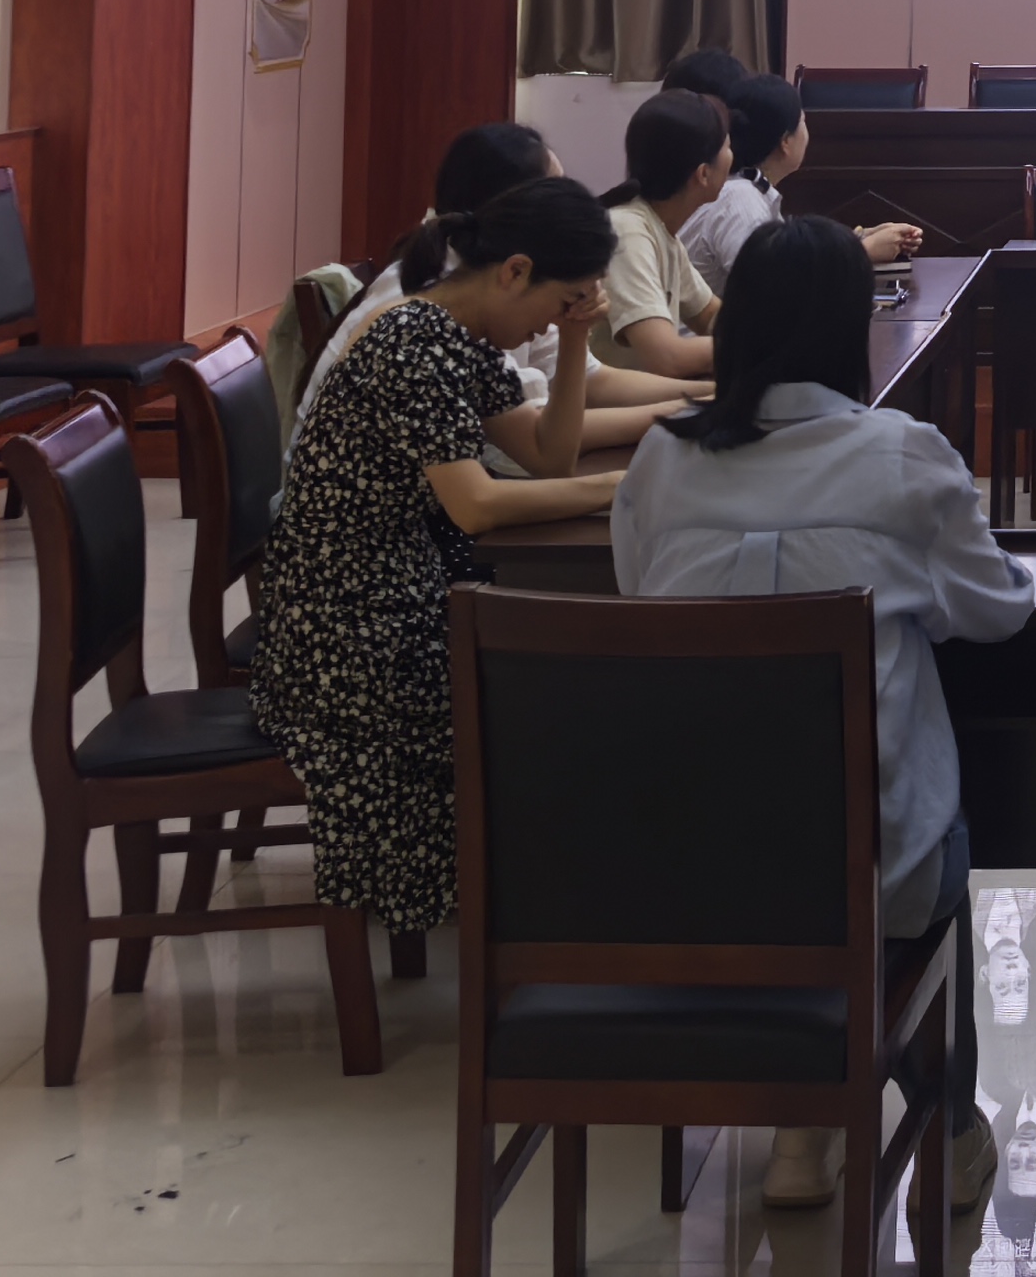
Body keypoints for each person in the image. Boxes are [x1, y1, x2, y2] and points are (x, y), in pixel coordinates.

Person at [616, 216, 1035, 1211]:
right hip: (868, 874)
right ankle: (951, 1136)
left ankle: (801, 1130)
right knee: (929, 823)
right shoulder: (903, 456)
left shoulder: (661, 459)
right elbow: (997, 611)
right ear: (854, 329)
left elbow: (639, 601)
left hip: (683, 869)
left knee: (771, 806)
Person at [246, 175, 629, 932]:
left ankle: (546, 898)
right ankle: (535, 911)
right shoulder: (411, 342)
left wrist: (577, 339)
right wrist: (616, 489)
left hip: (397, 592)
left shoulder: (461, 337)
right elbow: (475, 504)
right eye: (558, 305)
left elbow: (549, 457)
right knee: (551, 694)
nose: (550, 324)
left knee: (562, 674)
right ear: (514, 270)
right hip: (347, 634)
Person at [316, 119, 705, 453]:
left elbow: (579, 400)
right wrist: (692, 409)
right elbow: (514, 465)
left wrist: (705, 399)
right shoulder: (438, 313)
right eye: (552, 197)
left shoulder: (503, 283)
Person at [681, 71, 920, 285]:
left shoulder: (746, 189)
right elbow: (776, 284)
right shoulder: (740, 199)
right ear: (785, 141)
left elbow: (788, 259)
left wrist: (856, 239)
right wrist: (863, 250)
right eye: (803, 122)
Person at [599, 88, 735, 378]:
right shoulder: (627, 232)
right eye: (727, 146)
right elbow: (667, 357)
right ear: (703, 173)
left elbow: (709, 315)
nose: (732, 156)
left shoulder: (660, 230)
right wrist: (760, 348)